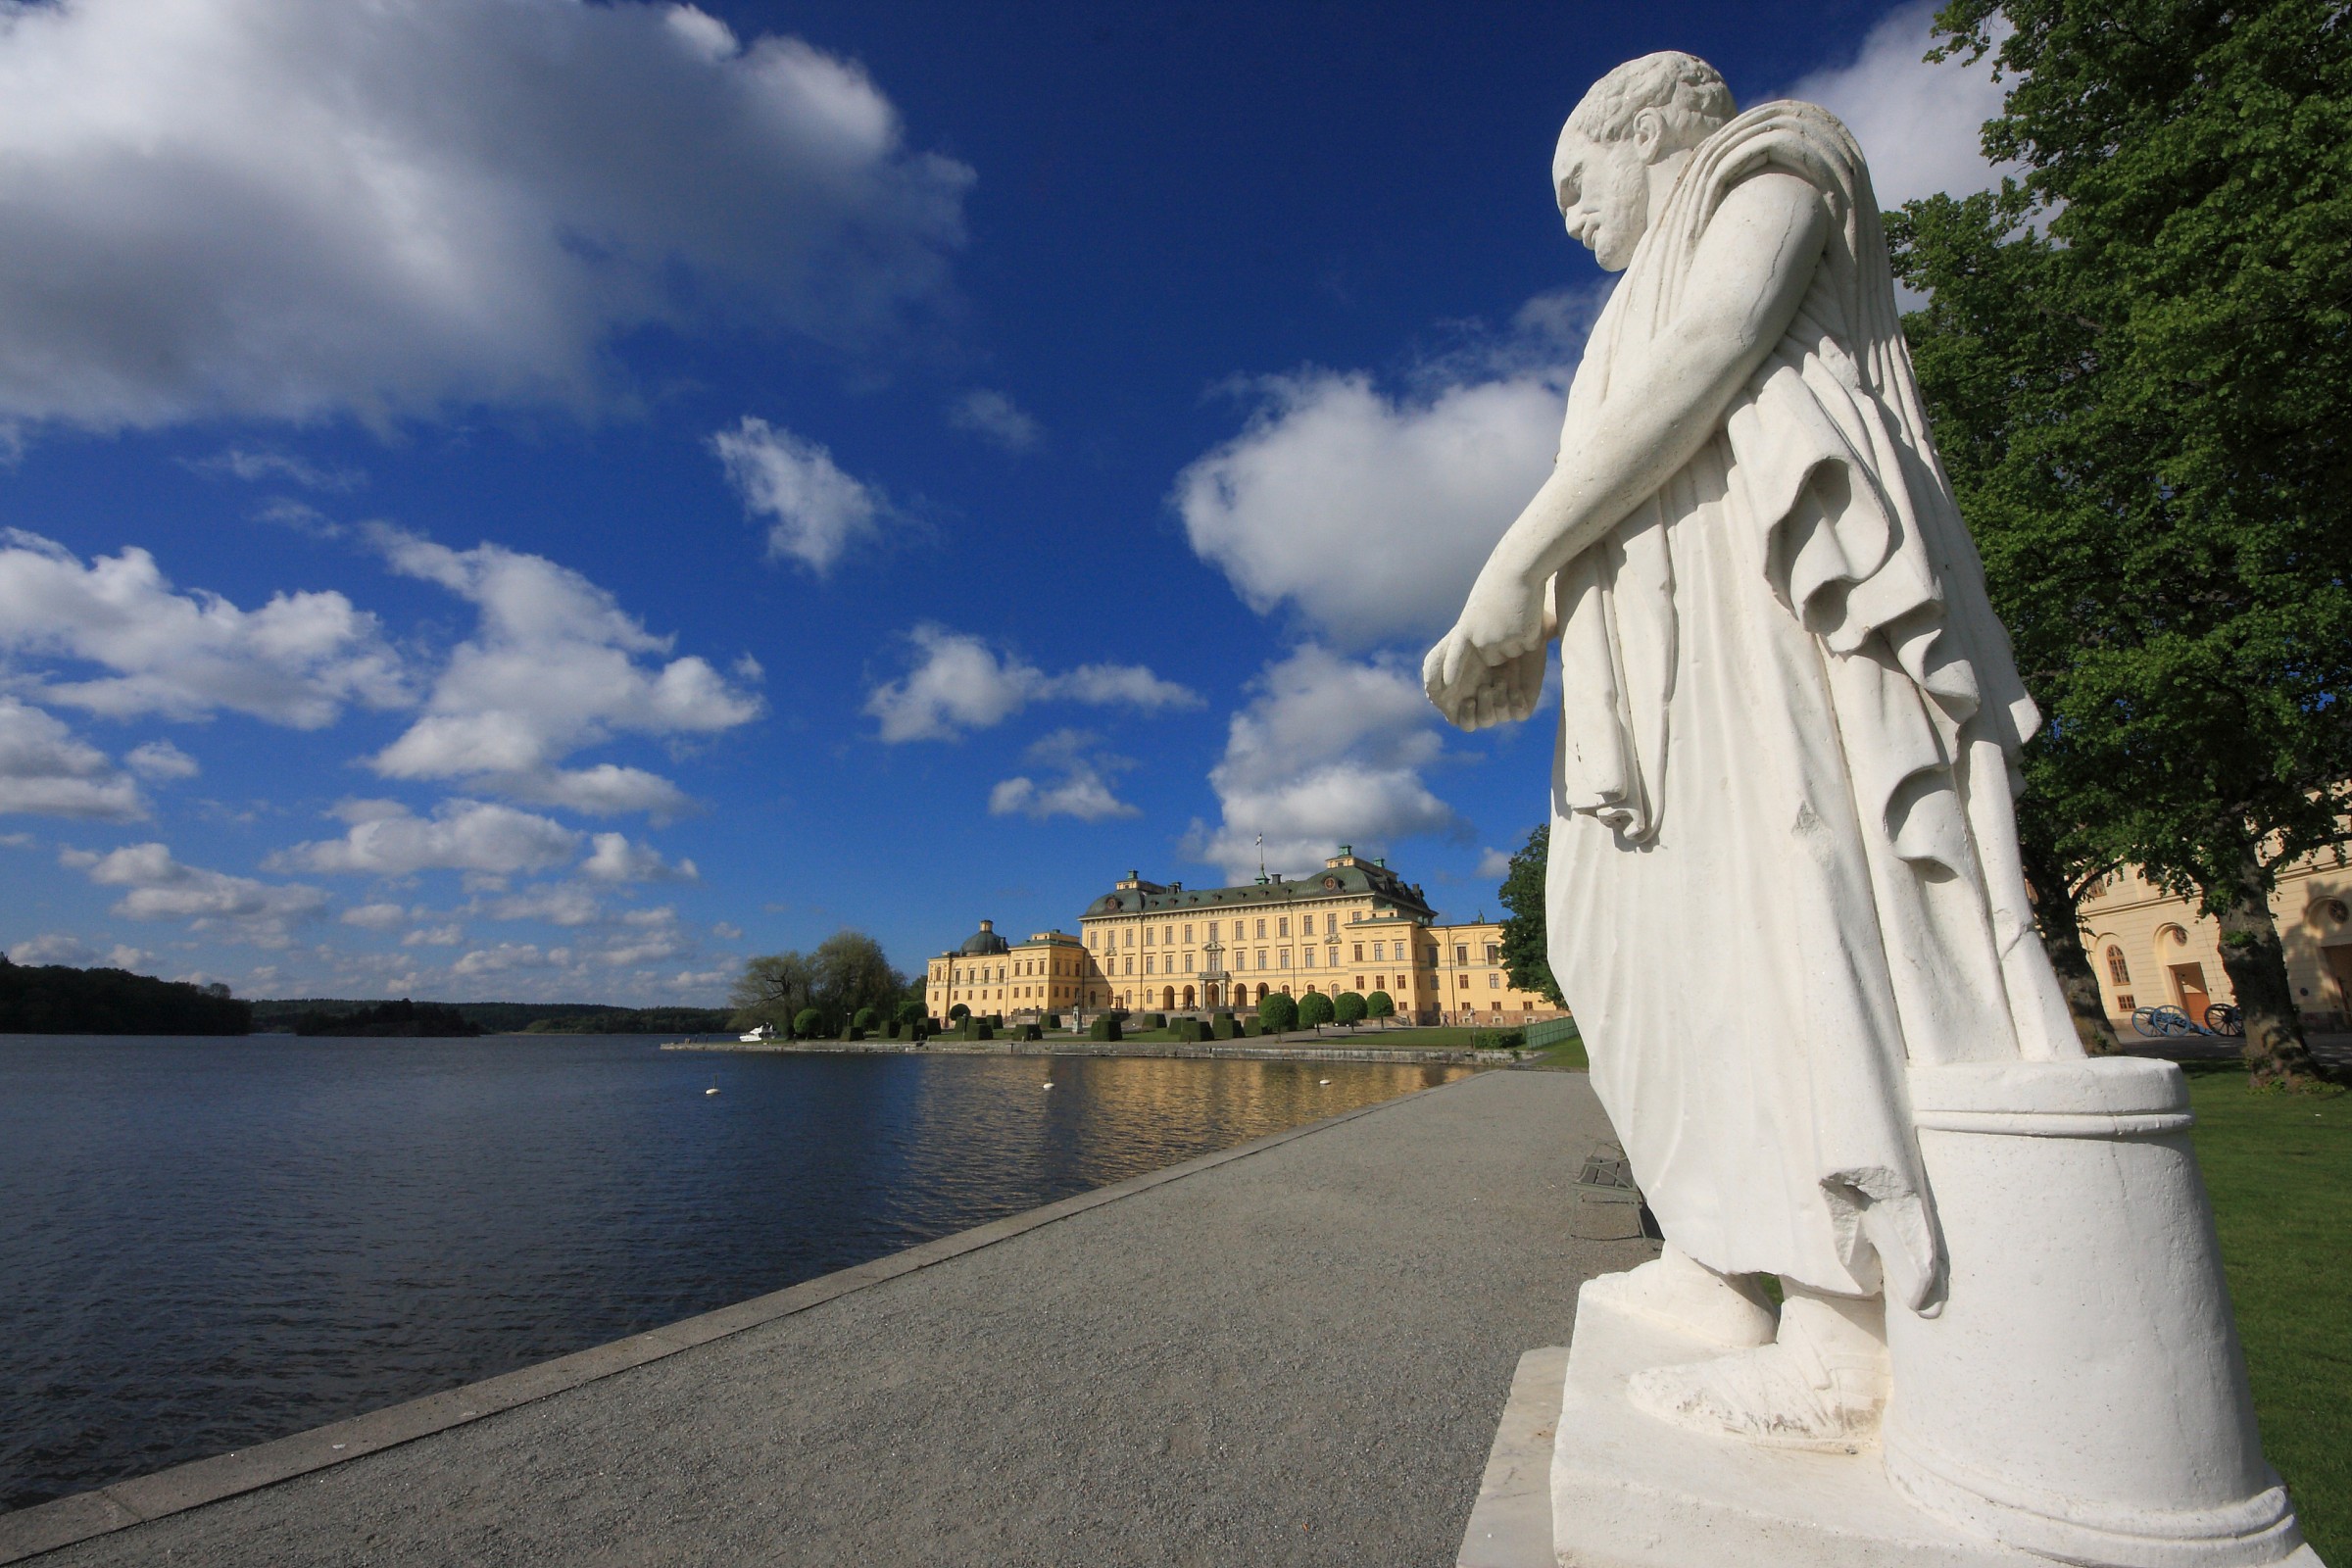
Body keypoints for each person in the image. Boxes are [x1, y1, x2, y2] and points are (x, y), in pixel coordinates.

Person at [1424, 53, 2082, 1444]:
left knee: (1788, 912)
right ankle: (1716, 1250)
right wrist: (1532, 626)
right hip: (1651, 655)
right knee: (1613, 938)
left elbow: (1717, 343)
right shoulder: (1617, 305)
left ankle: (1843, 1321)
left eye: (1575, 182)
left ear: (1650, 126)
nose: (1570, 220)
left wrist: (1512, 562)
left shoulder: (1771, 166)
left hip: (1758, 607)